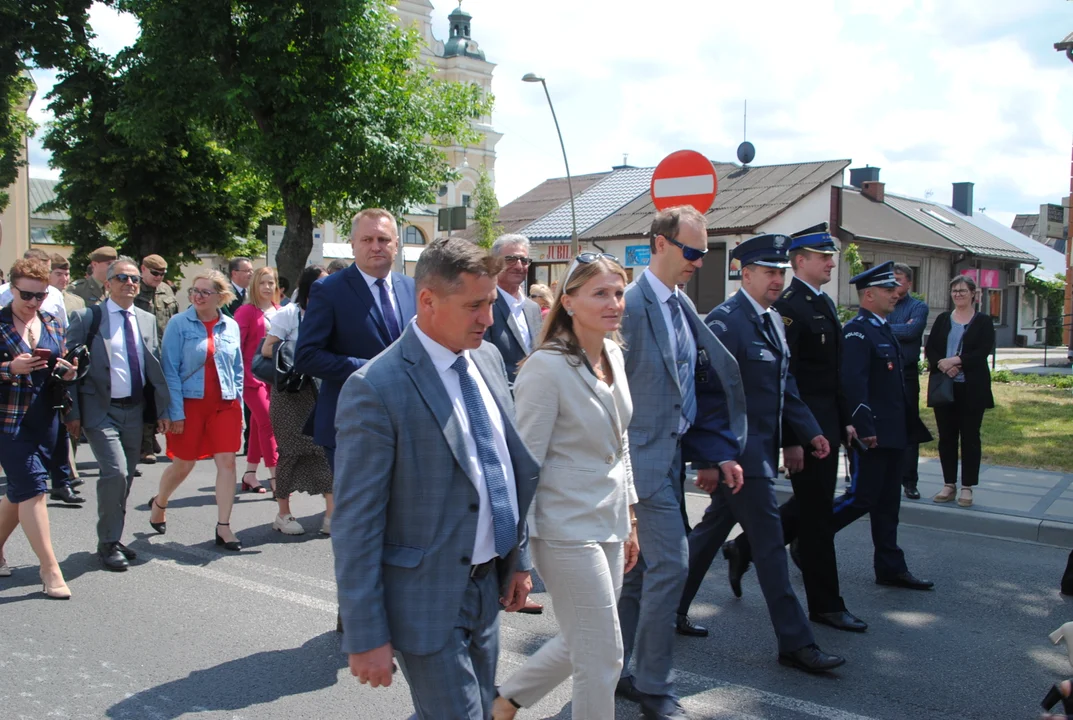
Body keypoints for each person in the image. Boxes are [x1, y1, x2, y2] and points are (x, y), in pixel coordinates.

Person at [333, 237, 539, 720]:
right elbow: (356, 524)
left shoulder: (486, 359)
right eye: (474, 306)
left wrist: (518, 559)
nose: (488, 319)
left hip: (487, 587)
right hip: (425, 600)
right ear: (427, 301)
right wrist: (365, 635)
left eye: (490, 303)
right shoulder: (376, 388)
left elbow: (503, 471)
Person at [676, 234, 845, 674]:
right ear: (745, 273)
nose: (777, 280)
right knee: (770, 549)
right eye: (769, 272)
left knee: (711, 532)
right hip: (737, 456)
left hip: (759, 452)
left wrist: (808, 432)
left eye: (781, 272)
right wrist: (709, 460)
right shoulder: (726, 323)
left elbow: (784, 386)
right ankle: (795, 642)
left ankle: (667, 607)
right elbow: (707, 396)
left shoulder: (771, 320)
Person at [493, 254, 640, 719]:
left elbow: (621, 441)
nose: (613, 302)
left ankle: (503, 701)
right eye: (600, 293)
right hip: (563, 528)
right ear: (569, 301)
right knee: (603, 655)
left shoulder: (613, 353)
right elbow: (525, 463)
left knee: (589, 637)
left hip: (609, 518)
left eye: (618, 292)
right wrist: (518, 555)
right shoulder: (546, 366)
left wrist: (631, 516)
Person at [615, 206, 746, 720]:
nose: (698, 261)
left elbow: (693, 388)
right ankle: (652, 686)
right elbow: (609, 392)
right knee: (672, 564)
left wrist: (713, 453)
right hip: (638, 464)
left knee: (640, 575)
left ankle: (615, 669)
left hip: (672, 461)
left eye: (705, 252)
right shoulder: (627, 305)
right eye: (691, 251)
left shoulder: (680, 305)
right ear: (660, 245)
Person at [723, 225, 867, 633]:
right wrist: (792, 440)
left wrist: (847, 421)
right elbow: (784, 381)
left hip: (823, 425)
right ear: (801, 260)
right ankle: (825, 604)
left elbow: (829, 375)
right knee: (817, 516)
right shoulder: (789, 307)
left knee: (811, 508)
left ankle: (742, 547)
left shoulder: (819, 302)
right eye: (823, 257)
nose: (831, 263)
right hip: (804, 429)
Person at [832, 261, 934, 591]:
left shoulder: (883, 326)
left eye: (896, 288)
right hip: (872, 433)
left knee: (889, 503)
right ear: (869, 294)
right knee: (861, 499)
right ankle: (810, 536)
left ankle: (890, 566)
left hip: (893, 432)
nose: (896, 294)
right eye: (889, 290)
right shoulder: (858, 331)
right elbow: (853, 385)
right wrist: (863, 427)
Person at [66, 257, 171, 572]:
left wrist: (163, 410)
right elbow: (70, 368)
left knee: (125, 479)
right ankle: (108, 543)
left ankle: (112, 537)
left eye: (135, 279)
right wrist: (72, 412)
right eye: (122, 278)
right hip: (100, 409)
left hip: (135, 411)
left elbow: (155, 367)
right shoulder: (88, 317)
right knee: (115, 473)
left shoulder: (146, 319)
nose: (130, 283)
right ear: (108, 283)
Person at [294, 208, 416, 472]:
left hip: (406, 424)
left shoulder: (413, 288)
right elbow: (306, 356)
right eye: (367, 240)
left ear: (396, 244)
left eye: (384, 240)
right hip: (352, 422)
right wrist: (370, 370)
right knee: (359, 511)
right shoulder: (329, 290)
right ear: (352, 245)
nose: (376, 247)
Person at [0, 257, 79, 598]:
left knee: (20, 492)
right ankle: (50, 569)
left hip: (45, 416)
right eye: (26, 296)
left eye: (40, 296)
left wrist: (68, 372)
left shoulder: (51, 322)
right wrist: (9, 367)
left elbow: (57, 365)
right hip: (8, 420)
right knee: (34, 489)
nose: (33, 303)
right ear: (11, 290)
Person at [151, 270, 245, 551]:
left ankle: (224, 526)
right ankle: (160, 502)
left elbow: (237, 368)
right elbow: (169, 370)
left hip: (225, 406)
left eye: (205, 292)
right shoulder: (179, 324)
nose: (198, 296)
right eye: (195, 291)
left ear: (221, 297)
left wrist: (237, 401)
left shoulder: (231, 326)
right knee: (184, 463)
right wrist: (175, 412)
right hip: (190, 405)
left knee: (228, 463)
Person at [261, 265, 333, 536]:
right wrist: (300, 353)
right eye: (320, 284)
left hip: (319, 390)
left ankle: (331, 515)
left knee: (325, 451)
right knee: (290, 452)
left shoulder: (328, 313)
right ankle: (283, 514)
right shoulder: (289, 314)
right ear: (308, 287)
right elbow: (268, 348)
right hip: (291, 394)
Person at [924, 274, 995, 508]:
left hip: (972, 388)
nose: (958, 295)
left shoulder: (983, 321)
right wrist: (943, 364)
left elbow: (984, 350)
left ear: (973, 294)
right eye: (954, 291)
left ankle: (967, 486)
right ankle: (949, 484)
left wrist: (956, 360)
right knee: (946, 438)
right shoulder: (944, 319)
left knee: (970, 437)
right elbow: (931, 349)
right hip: (945, 387)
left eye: (963, 291)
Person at [235, 267, 280, 494]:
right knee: (267, 423)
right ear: (254, 285)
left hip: (275, 378)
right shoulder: (245, 312)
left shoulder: (280, 310)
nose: (267, 287)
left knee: (257, 425)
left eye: (271, 283)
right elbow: (236, 348)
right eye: (262, 283)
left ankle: (250, 474)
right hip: (252, 378)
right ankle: (276, 478)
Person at [888, 263, 930, 500]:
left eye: (900, 279)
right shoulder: (887, 303)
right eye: (892, 279)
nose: (895, 284)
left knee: (908, 426)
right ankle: (888, 476)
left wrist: (883, 327)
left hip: (907, 374)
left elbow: (911, 332)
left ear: (909, 282)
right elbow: (899, 330)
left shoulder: (918, 307)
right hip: (884, 372)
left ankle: (909, 480)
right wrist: (895, 328)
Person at [46, 254, 86, 499]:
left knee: (61, 424)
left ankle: (63, 478)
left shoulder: (68, 299)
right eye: (57, 273)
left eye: (65, 273)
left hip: (60, 369)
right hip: (21, 375)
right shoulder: (7, 293)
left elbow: (64, 336)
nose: (64, 278)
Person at [134, 254, 179, 466]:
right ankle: (145, 445)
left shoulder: (167, 291)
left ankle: (152, 435)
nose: (159, 277)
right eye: (154, 273)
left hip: (164, 350)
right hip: (141, 352)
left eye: (162, 274)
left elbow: (174, 319)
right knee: (145, 398)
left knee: (160, 396)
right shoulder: (133, 290)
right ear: (143, 269)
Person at [484, 234, 543, 384]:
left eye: (524, 260)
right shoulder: (485, 305)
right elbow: (483, 362)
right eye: (510, 259)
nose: (518, 266)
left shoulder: (533, 308)